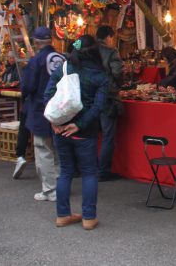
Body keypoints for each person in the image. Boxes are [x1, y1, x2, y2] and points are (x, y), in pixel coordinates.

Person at [44, 35, 109, 231]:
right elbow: (98, 107)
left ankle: (62, 215)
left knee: (65, 172)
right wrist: (79, 125)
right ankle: (88, 218)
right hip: (85, 131)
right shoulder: (101, 75)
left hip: (60, 129)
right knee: (89, 172)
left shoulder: (63, 68)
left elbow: (48, 95)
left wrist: (54, 122)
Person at [19, 26, 64, 201]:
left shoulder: (36, 60)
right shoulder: (62, 58)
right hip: (62, 109)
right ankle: (61, 185)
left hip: (41, 109)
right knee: (60, 149)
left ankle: (50, 190)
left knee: (43, 149)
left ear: (36, 43)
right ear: (51, 40)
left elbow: (28, 86)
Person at [96, 25, 123, 181]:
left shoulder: (87, 50)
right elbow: (118, 72)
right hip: (107, 95)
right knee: (107, 136)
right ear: (108, 37)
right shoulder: (111, 52)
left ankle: (87, 166)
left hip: (89, 96)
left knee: (90, 134)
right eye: (112, 37)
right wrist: (118, 85)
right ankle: (103, 171)